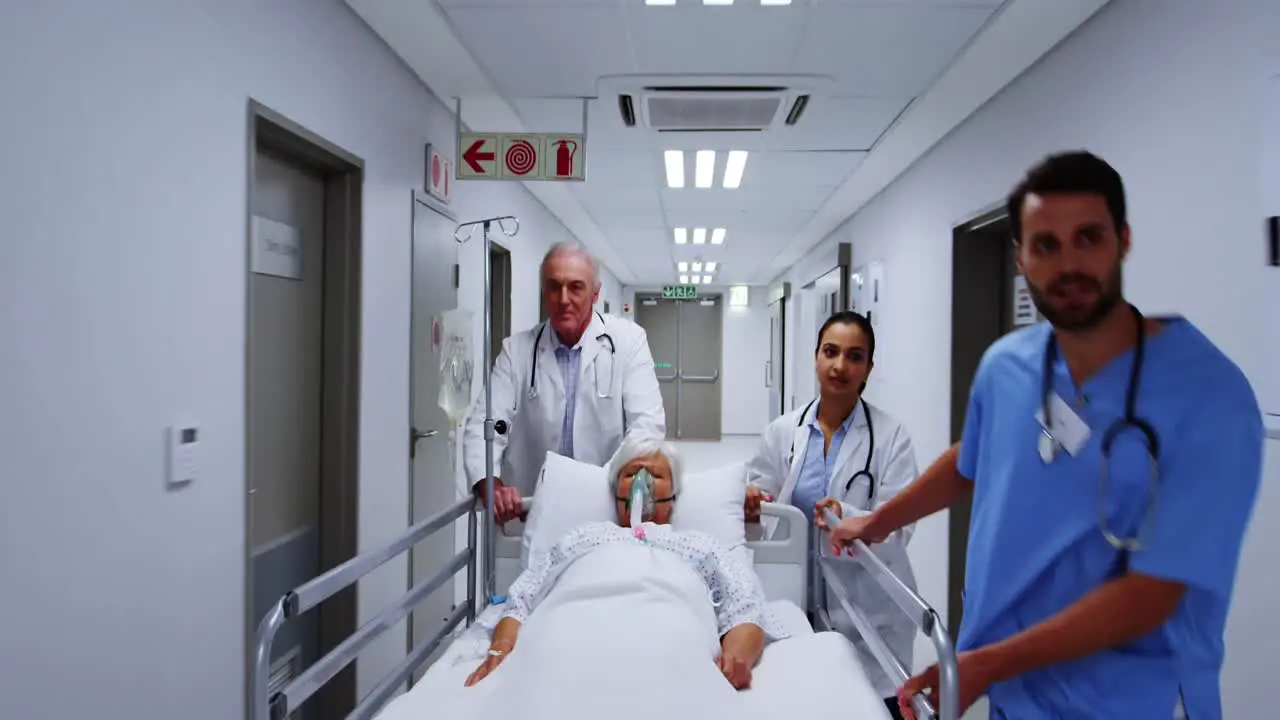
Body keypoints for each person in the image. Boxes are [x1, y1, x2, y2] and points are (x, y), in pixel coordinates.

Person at [828, 151, 1265, 719]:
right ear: (1020, 257)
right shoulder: (1007, 365)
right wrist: (878, 521)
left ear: (1124, 240)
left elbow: (1154, 593)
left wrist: (984, 665)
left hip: (1129, 702)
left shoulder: (1210, 396)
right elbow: (972, 460)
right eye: (1046, 245)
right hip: (1015, 695)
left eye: (1089, 237)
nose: (1069, 265)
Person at [462, 438, 789, 700]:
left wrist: (736, 658)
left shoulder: (702, 546)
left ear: (673, 497)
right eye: (631, 474)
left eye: (655, 475)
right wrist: (501, 646)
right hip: (571, 637)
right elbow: (523, 598)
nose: (642, 481)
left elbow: (744, 608)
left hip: (669, 641)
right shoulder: (580, 538)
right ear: (616, 490)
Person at [744, 310, 921, 720]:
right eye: (831, 352)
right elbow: (756, 503)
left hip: (866, 611)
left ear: (868, 368)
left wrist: (851, 515)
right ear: (816, 357)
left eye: (854, 356)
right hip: (791, 601)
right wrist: (753, 501)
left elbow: (900, 528)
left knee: (871, 705)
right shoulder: (783, 432)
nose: (840, 366)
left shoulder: (891, 438)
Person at [463, 242, 665, 524]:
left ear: (595, 294)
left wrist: (610, 483)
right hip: (533, 510)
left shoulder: (629, 342)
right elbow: (484, 425)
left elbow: (647, 426)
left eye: (576, 287)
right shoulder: (517, 351)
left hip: (606, 509)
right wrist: (491, 485)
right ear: (544, 292)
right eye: (554, 286)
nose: (563, 298)